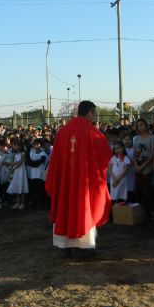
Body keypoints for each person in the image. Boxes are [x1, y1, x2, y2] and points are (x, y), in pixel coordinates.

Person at [45, 101, 112, 259]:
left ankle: (64, 246)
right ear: (89, 112)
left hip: (66, 182)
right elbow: (105, 155)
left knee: (65, 207)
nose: (95, 116)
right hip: (83, 183)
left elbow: (55, 159)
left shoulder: (63, 131)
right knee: (83, 209)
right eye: (94, 113)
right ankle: (83, 248)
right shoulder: (91, 132)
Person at [7, 140, 29, 209]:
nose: (13, 146)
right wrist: (12, 167)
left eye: (15, 145)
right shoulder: (16, 154)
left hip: (21, 171)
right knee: (17, 185)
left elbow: (21, 162)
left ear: (20, 146)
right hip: (16, 171)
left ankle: (22, 203)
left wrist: (13, 166)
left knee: (21, 186)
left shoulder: (23, 153)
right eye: (13, 145)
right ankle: (17, 202)